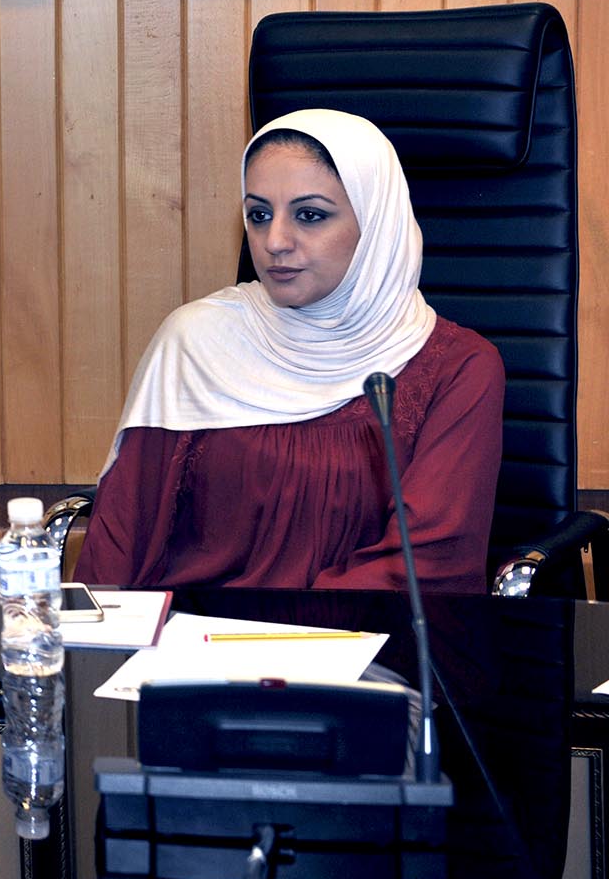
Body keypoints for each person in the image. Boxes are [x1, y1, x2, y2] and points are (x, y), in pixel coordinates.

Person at [74, 109, 504, 593]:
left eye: (310, 215)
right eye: (259, 215)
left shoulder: (457, 367)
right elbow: (120, 541)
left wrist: (286, 631)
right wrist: (90, 636)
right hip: (188, 633)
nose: (274, 241)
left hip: (357, 635)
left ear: (376, 226)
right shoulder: (196, 341)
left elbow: (429, 560)